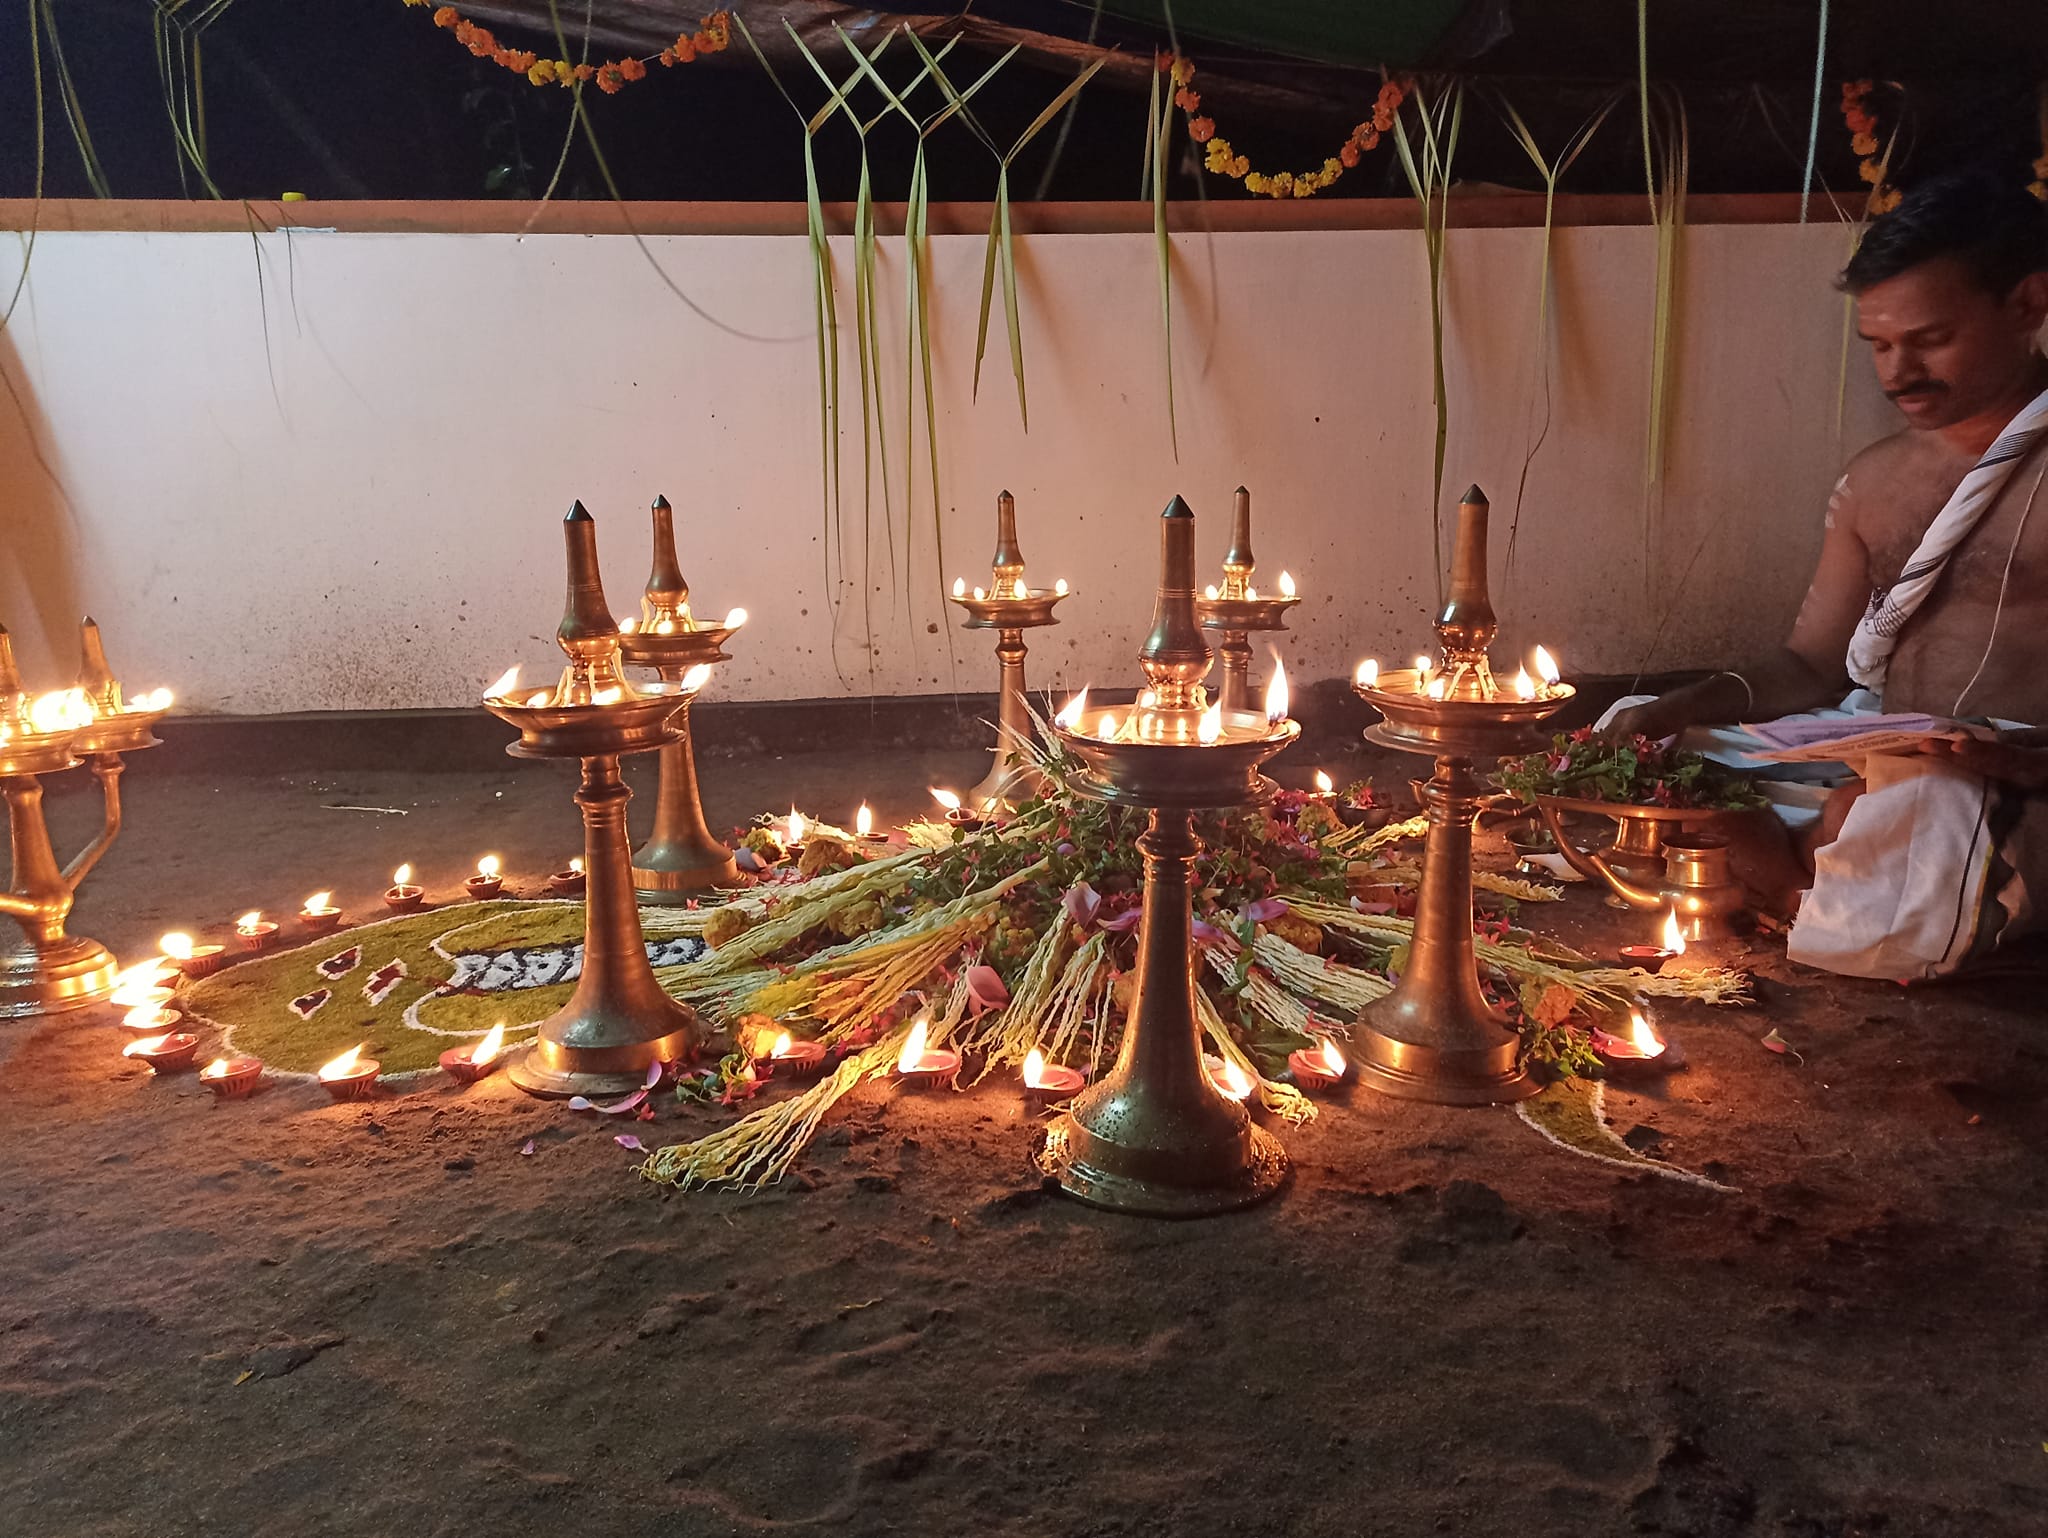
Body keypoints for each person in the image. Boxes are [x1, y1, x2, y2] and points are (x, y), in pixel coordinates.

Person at [1604, 169, 2048, 978]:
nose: (1897, 373)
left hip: (2006, 791)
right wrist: (1679, 707)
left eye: (1930, 339)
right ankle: (1815, 869)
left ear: (2027, 305)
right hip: (1868, 760)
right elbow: (1809, 663)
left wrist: (2018, 762)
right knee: (1628, 737)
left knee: (1925, 813)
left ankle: (1782, 878)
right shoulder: (1875, 481)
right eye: (1879, 345)